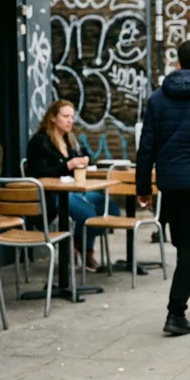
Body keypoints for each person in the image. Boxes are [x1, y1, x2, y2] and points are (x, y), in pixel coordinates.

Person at [136, 39, 190, 337]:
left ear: (178, 62)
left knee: (186, 246)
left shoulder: (157, 98)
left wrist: (142, 187)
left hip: (169, 183)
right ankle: (175, 312)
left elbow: (146, 147)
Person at [26, 99, 120, 272]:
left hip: (74, 191)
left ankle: (80, 241)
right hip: (51, 197)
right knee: (89, 215)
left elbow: (85, 155)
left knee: (112, 209)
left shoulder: (70, 140)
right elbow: (40, 172)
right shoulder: (40, 141)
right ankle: (86, 249)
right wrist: (68, 165)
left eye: (72, 117)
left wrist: (84, 160)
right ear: (53, 118)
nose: (70, 121)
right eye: (65, 116)